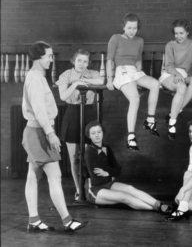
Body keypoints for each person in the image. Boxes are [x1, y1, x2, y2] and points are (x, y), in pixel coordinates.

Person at [22, 41, 89, 233]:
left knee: (33, 176)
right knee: (55, 176)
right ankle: (68, 221)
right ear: (38, 57)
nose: (52, 59)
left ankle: (34, 221)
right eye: (49, 56)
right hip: (40, 132)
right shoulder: (35, 78)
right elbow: (39, 109)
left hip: (37, 131)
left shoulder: (37, 76)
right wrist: (50, 134)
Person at [83, 120, 173, 214]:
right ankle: (157, 209)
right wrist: (110, 174)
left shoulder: (107, 149)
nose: (97, 135)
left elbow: (118, 170)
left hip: (107, 183)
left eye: (99, 132)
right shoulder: (89, 152)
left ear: (102, 133)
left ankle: (160, 204)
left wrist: (107, 173)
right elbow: (96, 180)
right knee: (124, 196)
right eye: (93, 133)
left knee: (130, 188)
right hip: (94, 190)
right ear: (89, 136)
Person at [106, 13, 160, 152]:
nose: (132, 31)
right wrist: (109, 79)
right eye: (129, 28)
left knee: (155, 84)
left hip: (134, 71)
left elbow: (138, 61)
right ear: (123, 26)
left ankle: (150, 120)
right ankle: (131, 137)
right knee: (135, 99)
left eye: (135, 28)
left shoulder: (140, 41)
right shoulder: (116, 38)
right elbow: (109, 60)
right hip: (121, 71)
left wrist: (139, 78)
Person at [56, 49, 103, 201]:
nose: (82, 64)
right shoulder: (66, 75)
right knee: (74, 158)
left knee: (90, 156)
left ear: (88, 62)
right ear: (74, 61)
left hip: (88, 113)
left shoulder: (94, 73)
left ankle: (90, 188)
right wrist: (76, 83)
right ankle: (78, 189)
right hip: (72, 114)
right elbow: (63, 96)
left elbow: (101, 82)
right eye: (79, 60)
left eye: (85, 61)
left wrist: (82, 82)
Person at [159, 19, 192, 140]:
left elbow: (191, 67)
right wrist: (177, 75)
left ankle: (174, 112)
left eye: (181, 33)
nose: (178, 36)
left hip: (184, 76)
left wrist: (184, 76)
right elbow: (169, 66)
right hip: (170, 74)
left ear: (188, 32)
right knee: (182, 87)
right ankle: (172, 124)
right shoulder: (170, 45)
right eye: (176, 33)